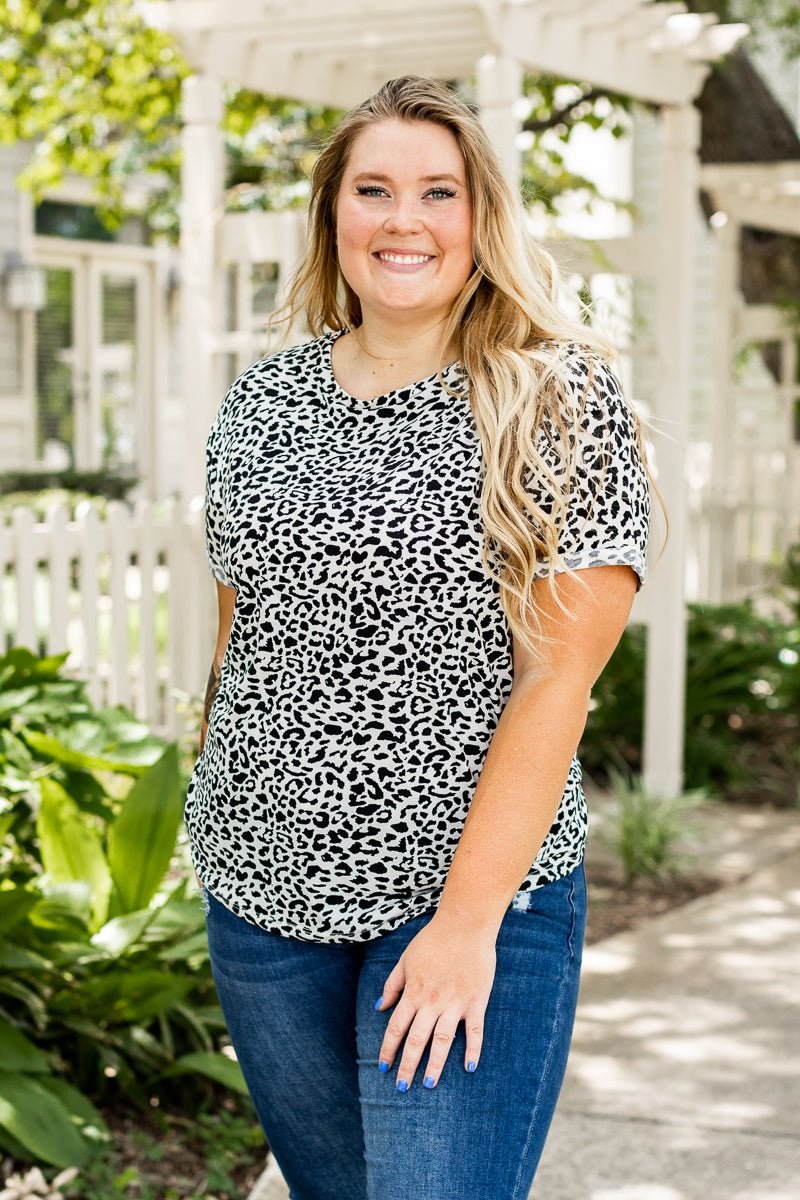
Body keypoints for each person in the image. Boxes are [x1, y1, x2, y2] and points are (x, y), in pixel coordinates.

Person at [185, 74, 651, 1200]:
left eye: (437, 192)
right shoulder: (262, 400)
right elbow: (239, 627)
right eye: (374, 190)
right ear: (332, 216)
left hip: (457, 900)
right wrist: (216, 785)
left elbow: (557, 681)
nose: (404, 220)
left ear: (479, 216)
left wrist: (463, 926)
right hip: (262, 904)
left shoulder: (555, 399)